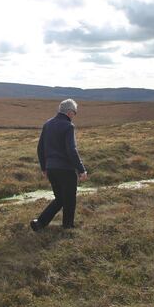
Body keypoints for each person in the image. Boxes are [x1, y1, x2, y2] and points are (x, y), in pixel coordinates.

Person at [31, 98, 88, 231]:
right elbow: (71, 150)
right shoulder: (69, 126)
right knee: (69, 200)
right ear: (69, 112)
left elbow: (40, 148)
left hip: (51, 169)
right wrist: (81, 170)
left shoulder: (48, 124)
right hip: (66, 170)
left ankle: (39, 223)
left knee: (60, 199)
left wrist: (44, 167)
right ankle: (68, 227)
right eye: (75, 113)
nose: (74, 116)